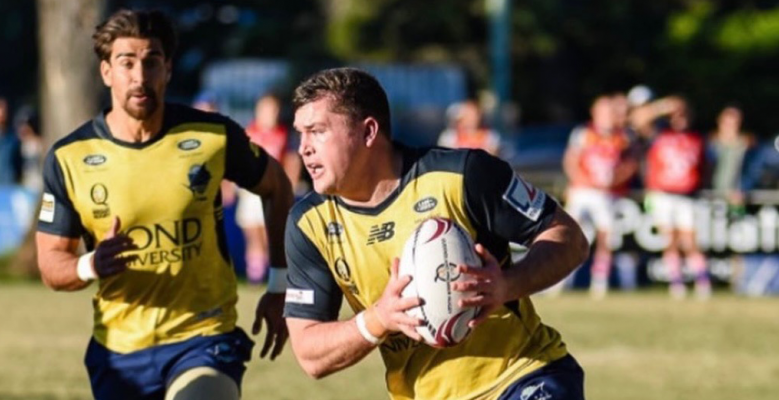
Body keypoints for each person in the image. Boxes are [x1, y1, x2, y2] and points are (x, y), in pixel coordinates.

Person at [284, 68, 589, 400]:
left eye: (317, 131)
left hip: (524, 376)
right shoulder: (309, 223)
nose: (304, 148)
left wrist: (506, 285)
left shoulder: (462, 175)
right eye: (301, 134)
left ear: (368, 131)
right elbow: (309, 352)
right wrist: (379, 318)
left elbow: (569, 237)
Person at [34, 9, 293, 400]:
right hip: (119, 353)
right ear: (106, 72)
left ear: (168, 69)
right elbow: (51, 263)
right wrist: (91, 264)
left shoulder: (212, 137)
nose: (140, 76)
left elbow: (277, 186)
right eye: (127, 63)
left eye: (151, 61)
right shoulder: (70, 158)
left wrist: (279, 285)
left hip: (204, 338)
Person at [562, 95, 637, 298]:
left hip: (606, 194)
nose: (610, 116)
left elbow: (631, 164)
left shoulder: (623, 137)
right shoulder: (583, 133)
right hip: (583, 191)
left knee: (606, 237)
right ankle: (560, 281)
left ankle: (599, 281)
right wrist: (580, 181)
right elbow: (571, 160)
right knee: (569, 235)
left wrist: (616, 180)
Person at [642, 96, 711, 300]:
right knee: (669, 240)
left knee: (690, 241)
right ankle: (676, 283)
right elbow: (639, 121)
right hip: (663, 194)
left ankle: (702, 281)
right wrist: (662, 107)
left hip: (687, 196)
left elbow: (705, 168)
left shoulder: (697, 138)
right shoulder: (660, 135)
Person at [236, 94, 302, 283]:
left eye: (274, 110)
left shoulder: (283, 134)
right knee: (252, 234)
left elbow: (292, 160)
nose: (270, 114)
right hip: (250, 191)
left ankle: (273, 275)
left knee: (270, 236)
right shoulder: (248, 132)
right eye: (266, 109)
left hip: (272, 191)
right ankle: (255, 275)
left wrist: (290, 184)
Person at [707, 106, 762, 214]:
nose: (730, 127)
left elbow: (754, 170)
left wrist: (743, 189)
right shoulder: (711, 143)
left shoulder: (748, 145)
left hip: (737, 197)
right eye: (727, 123)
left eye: (735, 123)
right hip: (711, 194)